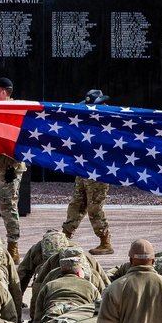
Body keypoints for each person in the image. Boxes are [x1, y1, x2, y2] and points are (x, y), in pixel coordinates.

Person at [61, 89, 113, 255]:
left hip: (99, 171)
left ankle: (105, 242)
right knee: (76, 203)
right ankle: (65, 236)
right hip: (83, 169)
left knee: (94, 208)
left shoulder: (109, 121)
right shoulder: (88, 120)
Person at [0, 77, 27, 263]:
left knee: (8, 207)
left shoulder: (13, 112)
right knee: (7, 207)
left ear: (4, 93)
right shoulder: (1, 110)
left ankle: (13, 247)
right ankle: (13, 245)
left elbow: (17, 141)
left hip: (9, 168)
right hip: (3, 166)